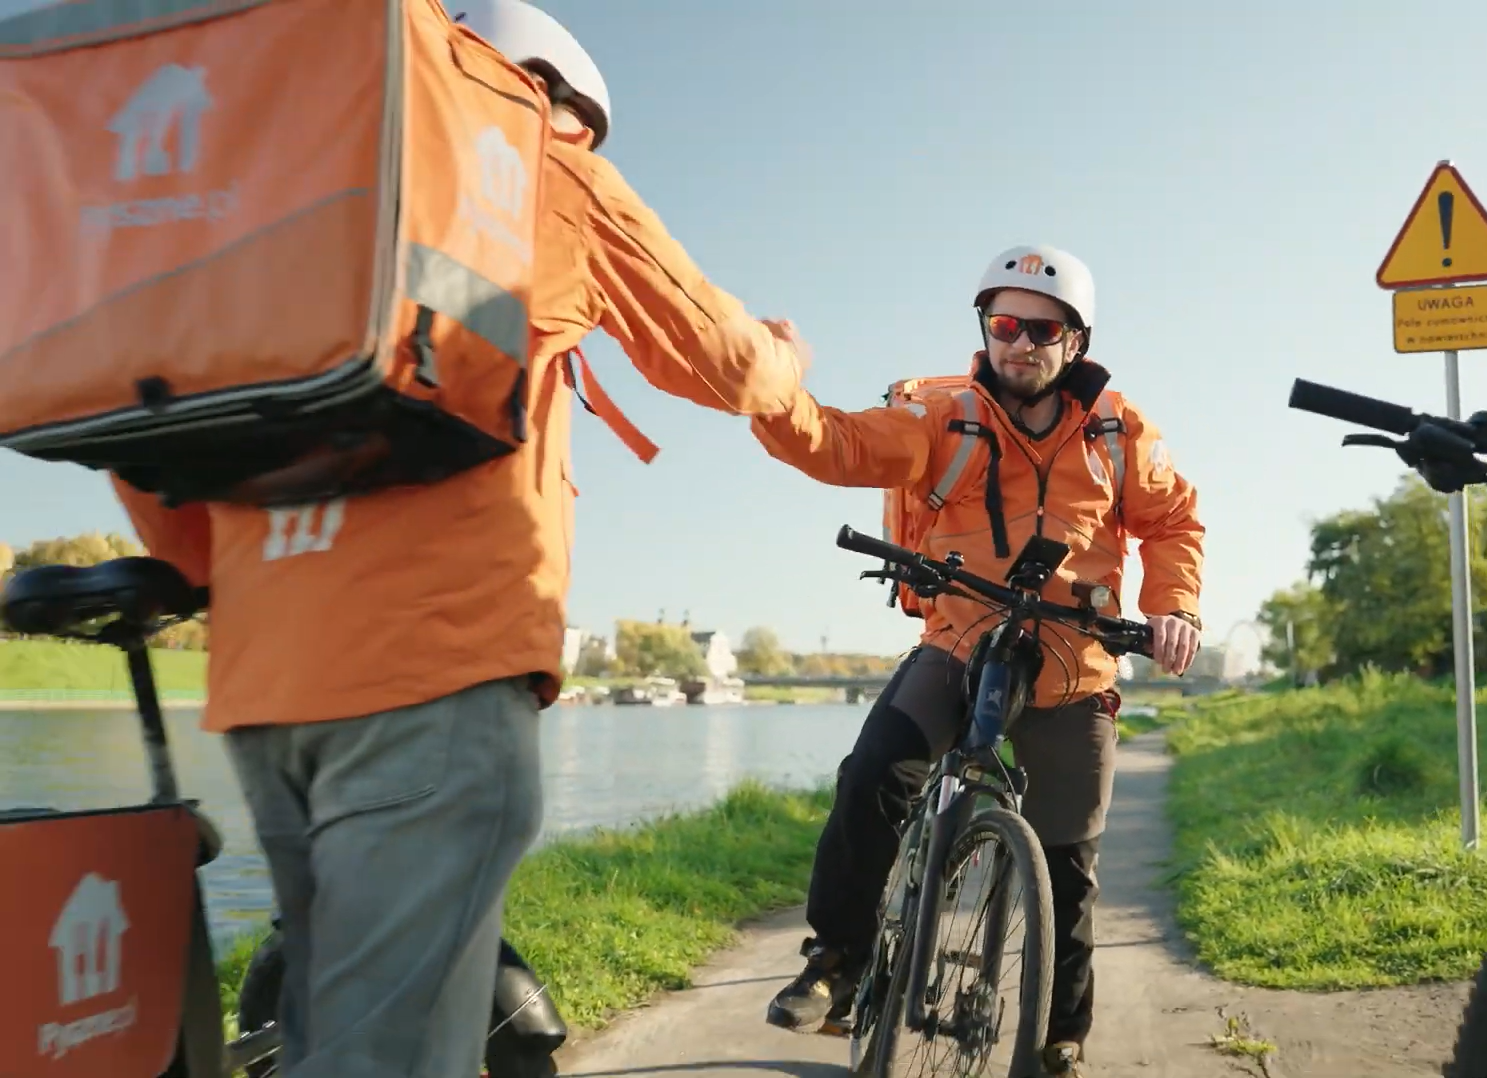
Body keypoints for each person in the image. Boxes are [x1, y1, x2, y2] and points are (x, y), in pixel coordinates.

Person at [109, 3, 809, 1075]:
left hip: (267, 687)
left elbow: (157, 421)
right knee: (382, 1058)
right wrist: (784, 356)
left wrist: (221, 576)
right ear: (557, 101)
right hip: (435, 676)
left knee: (331, 1016)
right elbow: (726, 364)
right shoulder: (536, 162)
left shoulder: (280, 193)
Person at [752, 244, 1205, 1075]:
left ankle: (1061, 1031)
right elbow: (836, 445)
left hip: (1075, 662)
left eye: (1040, 329)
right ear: (986, 332)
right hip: (961, 637)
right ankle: (839, 962)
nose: (1019, 344)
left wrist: (1172, 607)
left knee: (1068, 865)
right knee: (875, 772)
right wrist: (770, 381)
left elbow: (1173, 522)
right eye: (1004, 325)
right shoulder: (942, 416)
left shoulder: (1119, 431)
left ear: (1076, 341)